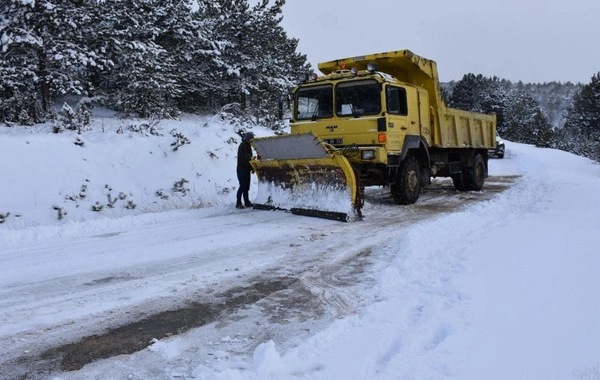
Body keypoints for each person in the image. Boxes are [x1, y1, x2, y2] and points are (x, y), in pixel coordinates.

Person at [236, 131, 254, 209]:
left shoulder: (248, 145)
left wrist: (251, 167)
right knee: (242, 186)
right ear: (249, 139)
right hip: (241, 169)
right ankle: (238, 203)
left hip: (246, 169)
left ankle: (246, 202)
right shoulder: (243, 146)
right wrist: (252, 159)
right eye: (252, 139)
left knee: (246, 186)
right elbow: (246, 158)